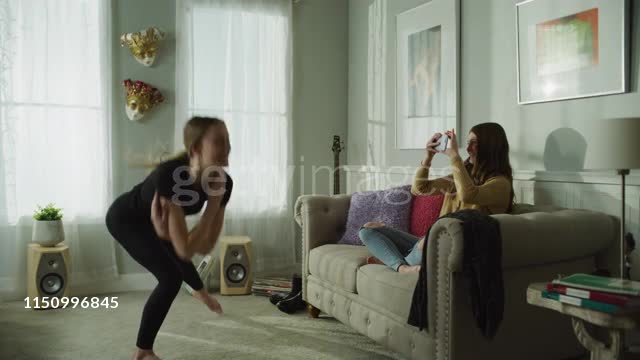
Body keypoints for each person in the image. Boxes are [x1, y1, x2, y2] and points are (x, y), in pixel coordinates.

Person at [106, 116, 233, 360]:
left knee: (174, 249)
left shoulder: (224, 184)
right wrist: (210, 210)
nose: (227, 148)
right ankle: (143, 351)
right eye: (219, 141)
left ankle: (199, 290)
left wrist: (214, 204)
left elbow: (205, 245)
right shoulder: (172, 176)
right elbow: (185, 251)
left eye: (229, 140)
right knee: (171, 277)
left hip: (160, 223)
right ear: (196, 148)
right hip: (126, 219)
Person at [358, 122, 514, 273]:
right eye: (468, 143)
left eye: (474, 143)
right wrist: (428, 157)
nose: (468, 149)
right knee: (368, 229)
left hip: (453, 247)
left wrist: (454, 156)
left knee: (425, 241)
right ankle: (397, 261)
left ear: (490, 147)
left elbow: (468, 194)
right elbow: (419, 189)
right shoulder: (459, 178)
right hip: (432, 240)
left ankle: (399, 266)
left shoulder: (501, 184)